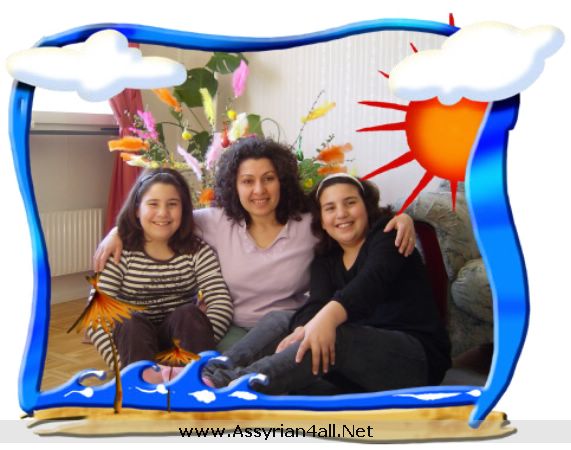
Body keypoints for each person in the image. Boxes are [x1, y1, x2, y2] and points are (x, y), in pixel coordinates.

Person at [93, 137, 417, 352]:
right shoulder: (215, 221)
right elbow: (163, 216)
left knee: (271, 379)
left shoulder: (309, 221)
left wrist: (402, 218)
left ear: (282, 181)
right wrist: (119, 231)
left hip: (286, 327)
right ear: (234, 186)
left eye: (268, 179)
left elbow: (350, 215)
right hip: (229, 329)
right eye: (247, 181)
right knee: (220, 374)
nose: (259, 190)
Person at [201, 174, 451, 394]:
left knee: (331, 333)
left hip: (415, 360)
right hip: (357, 364)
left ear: (366, 206)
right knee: (283, 318)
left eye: (350, 203)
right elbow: (314, 305)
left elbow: (368, 288)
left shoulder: (389, 237)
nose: (341, 213)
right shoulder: (326, 258)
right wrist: (303, 327)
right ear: (321, 219)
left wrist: (322, 321)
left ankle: (231, 387)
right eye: (330, 208)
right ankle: (211, 373)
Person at [88, 168, 232, 383]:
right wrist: (121, 364)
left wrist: (204, 340)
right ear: (137, 209)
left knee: (189, 314)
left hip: (181, 348)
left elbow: (220, 301)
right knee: (128, 320)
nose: (163, 213)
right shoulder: (119, 251)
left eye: (172, 204)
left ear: (184, 210)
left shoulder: (197, 251)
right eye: (153, 204)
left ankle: (196, 380)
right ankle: (141, 384)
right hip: (134, 346)